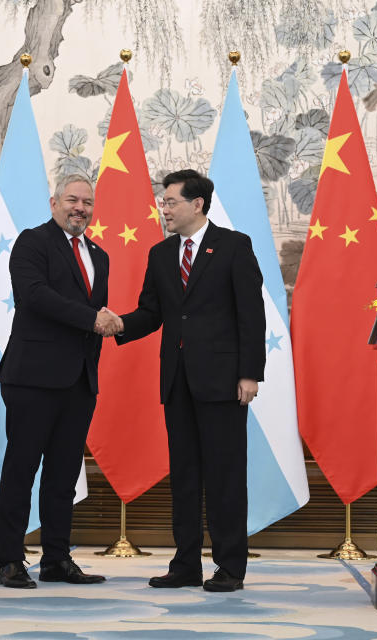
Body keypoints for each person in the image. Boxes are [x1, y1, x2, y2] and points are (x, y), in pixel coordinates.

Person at [110, 169, 265, 592]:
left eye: (171, 201)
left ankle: (230, 567)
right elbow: (152, 313)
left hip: (223, 382)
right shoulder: (161, 255)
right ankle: (185, 564)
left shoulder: (234, 247)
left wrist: (250, 373)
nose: (164, 208)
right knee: (185, 476)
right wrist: (117, 324)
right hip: (177, 382)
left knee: (225, 476)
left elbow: (251, 315)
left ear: (197, 204)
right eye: (163, 201)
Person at [0, 174, 122, 589]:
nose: (80, 208)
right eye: (72, 199)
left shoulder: (99, 255)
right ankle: (11, 560)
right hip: (32, 378)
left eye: (87, 202)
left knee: (64, 475)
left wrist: (103, 323)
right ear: (54, 203)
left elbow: (95, 315)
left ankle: (56, 559)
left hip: (79, 381)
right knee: (21, 470)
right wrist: (92, 319)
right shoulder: (33, 242)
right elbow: (33, 296)